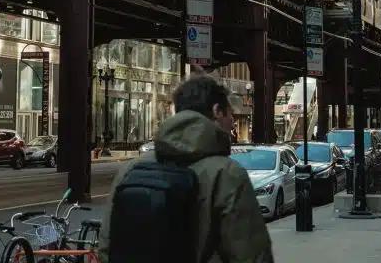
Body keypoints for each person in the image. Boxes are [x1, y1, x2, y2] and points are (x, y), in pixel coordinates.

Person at [98, 74, 273, 263]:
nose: (232, 122)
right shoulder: (226, 174)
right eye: (230, 113)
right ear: (217, 111)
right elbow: (252, 255)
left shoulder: (131, 168)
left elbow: (107, 245)